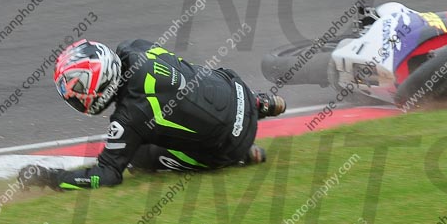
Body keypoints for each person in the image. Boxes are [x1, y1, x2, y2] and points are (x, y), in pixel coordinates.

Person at [18, 39, 286, 190]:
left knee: (137, 157)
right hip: (238, 90)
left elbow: (106, 175)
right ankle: (261, 103)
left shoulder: (128, 119)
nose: (75, 96)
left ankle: (239, 156)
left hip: (229, 146)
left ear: (99, 81)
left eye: (78, 87)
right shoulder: (136, 48)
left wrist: (50, 178)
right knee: (192, 76)